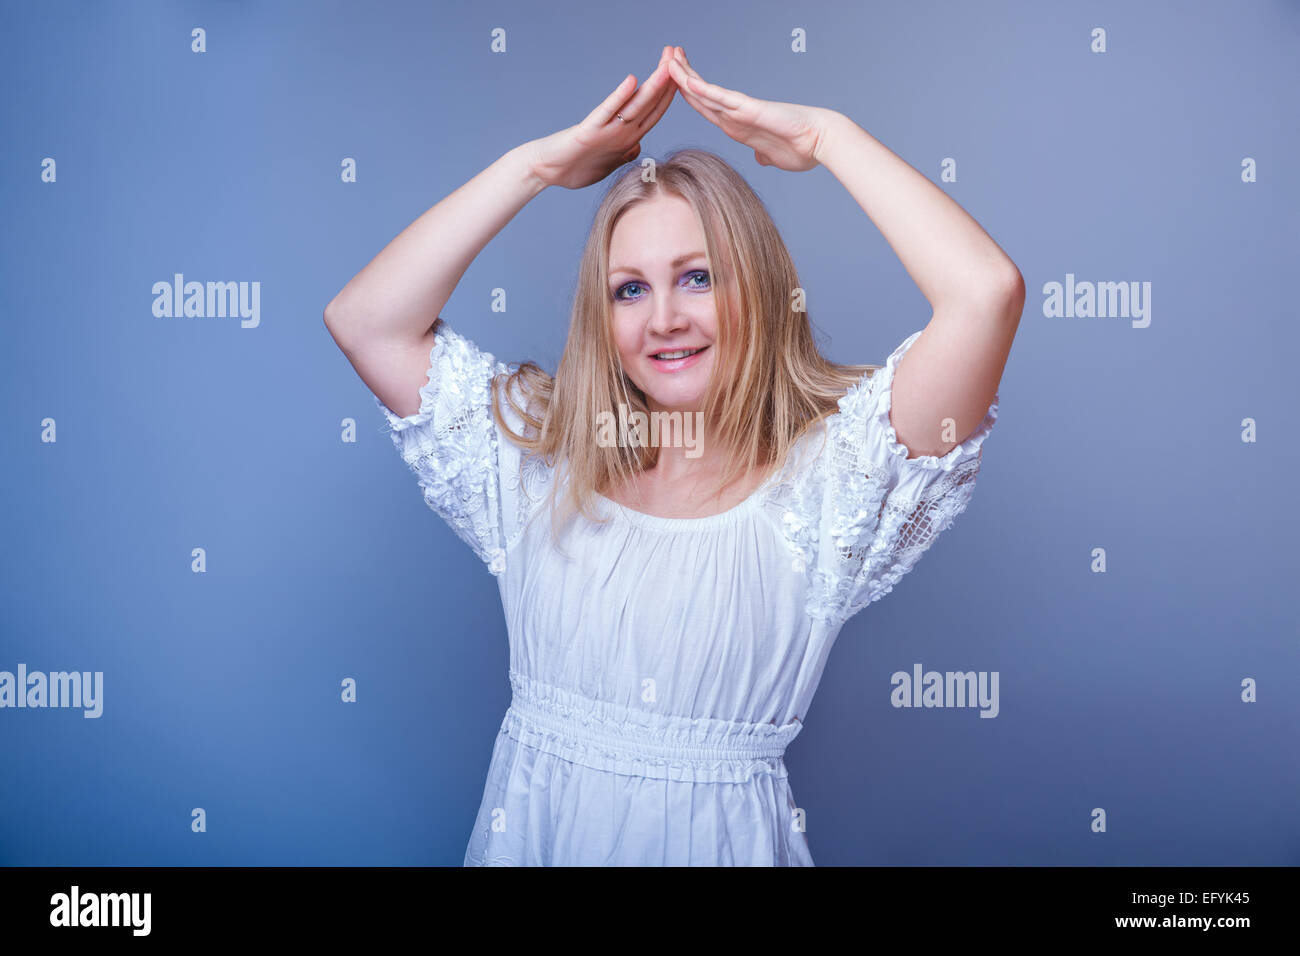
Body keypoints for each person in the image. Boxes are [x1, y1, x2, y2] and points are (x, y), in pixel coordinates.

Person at [324, 45, 1023, 865]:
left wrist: (829, 136)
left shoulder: (829, 487)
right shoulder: (538, 462)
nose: (664, 320)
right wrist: (537, 166)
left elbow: (985, 295)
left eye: (697, 278)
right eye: (630, 289)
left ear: (757, 289)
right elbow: (365, 319)